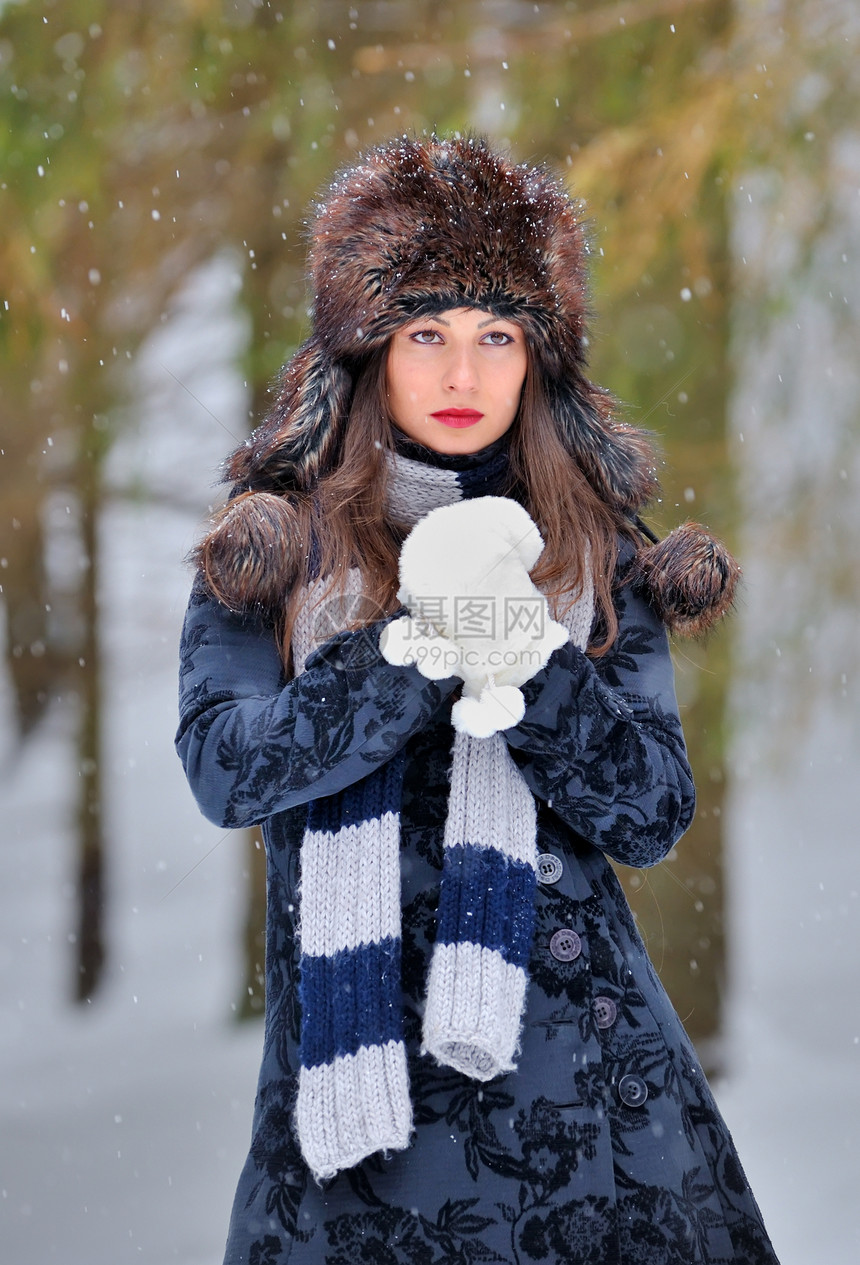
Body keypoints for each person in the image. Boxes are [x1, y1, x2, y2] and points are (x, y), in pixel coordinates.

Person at [176, 135, 779, 1265]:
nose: (464, 375)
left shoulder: (593, 551)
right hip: (360, 1129)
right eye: (426, 335)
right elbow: (227, 766)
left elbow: (648, 808)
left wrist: (524, 652)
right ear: (367, 353)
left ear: (536, 359)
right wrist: (411, 650)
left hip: (588, 1119)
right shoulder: (271, 552)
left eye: (497, 336)